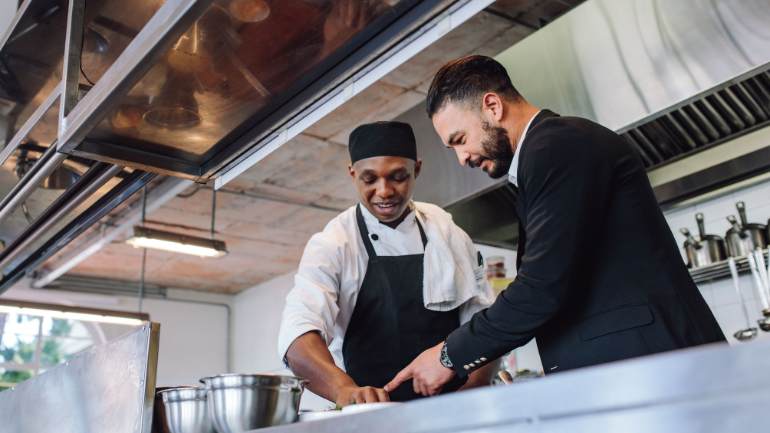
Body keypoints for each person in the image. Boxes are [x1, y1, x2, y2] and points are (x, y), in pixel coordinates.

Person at [385, 55, 726, 396]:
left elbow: (542, 286)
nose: (462, 159)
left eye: (459, 139)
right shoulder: (543, 157)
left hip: (654, 370)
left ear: (492, 106)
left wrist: (448, 356)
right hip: (633, 374)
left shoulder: (558, 146)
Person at [278, 121, 497, 406]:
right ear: (352, 174)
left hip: (455, 409)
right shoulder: (334, 243)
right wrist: (344, 389)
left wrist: (475, 387)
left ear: (416, 169)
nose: (384, 191)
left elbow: (482, 321)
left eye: (398, 177)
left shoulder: (445, 230)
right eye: (370, 180)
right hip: (373, 414)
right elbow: (298, 335)